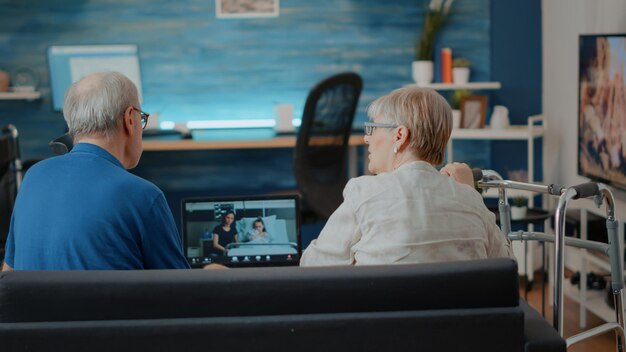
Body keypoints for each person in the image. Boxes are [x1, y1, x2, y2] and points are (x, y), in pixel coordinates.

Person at [300, 86, 514, 266]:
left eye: (372, 129)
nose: (367, 139)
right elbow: (506, 267)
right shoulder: (470, 199)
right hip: (460, 316)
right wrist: (469, 192)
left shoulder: (363, 193)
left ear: (400, 136)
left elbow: (312, 265)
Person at [2, 71, 190, 270]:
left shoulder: (33, 176)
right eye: (141, 117)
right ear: (129, 119)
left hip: (32, 303)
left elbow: (8, 272)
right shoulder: (143, 196)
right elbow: (181, 292)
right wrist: (214, 275)